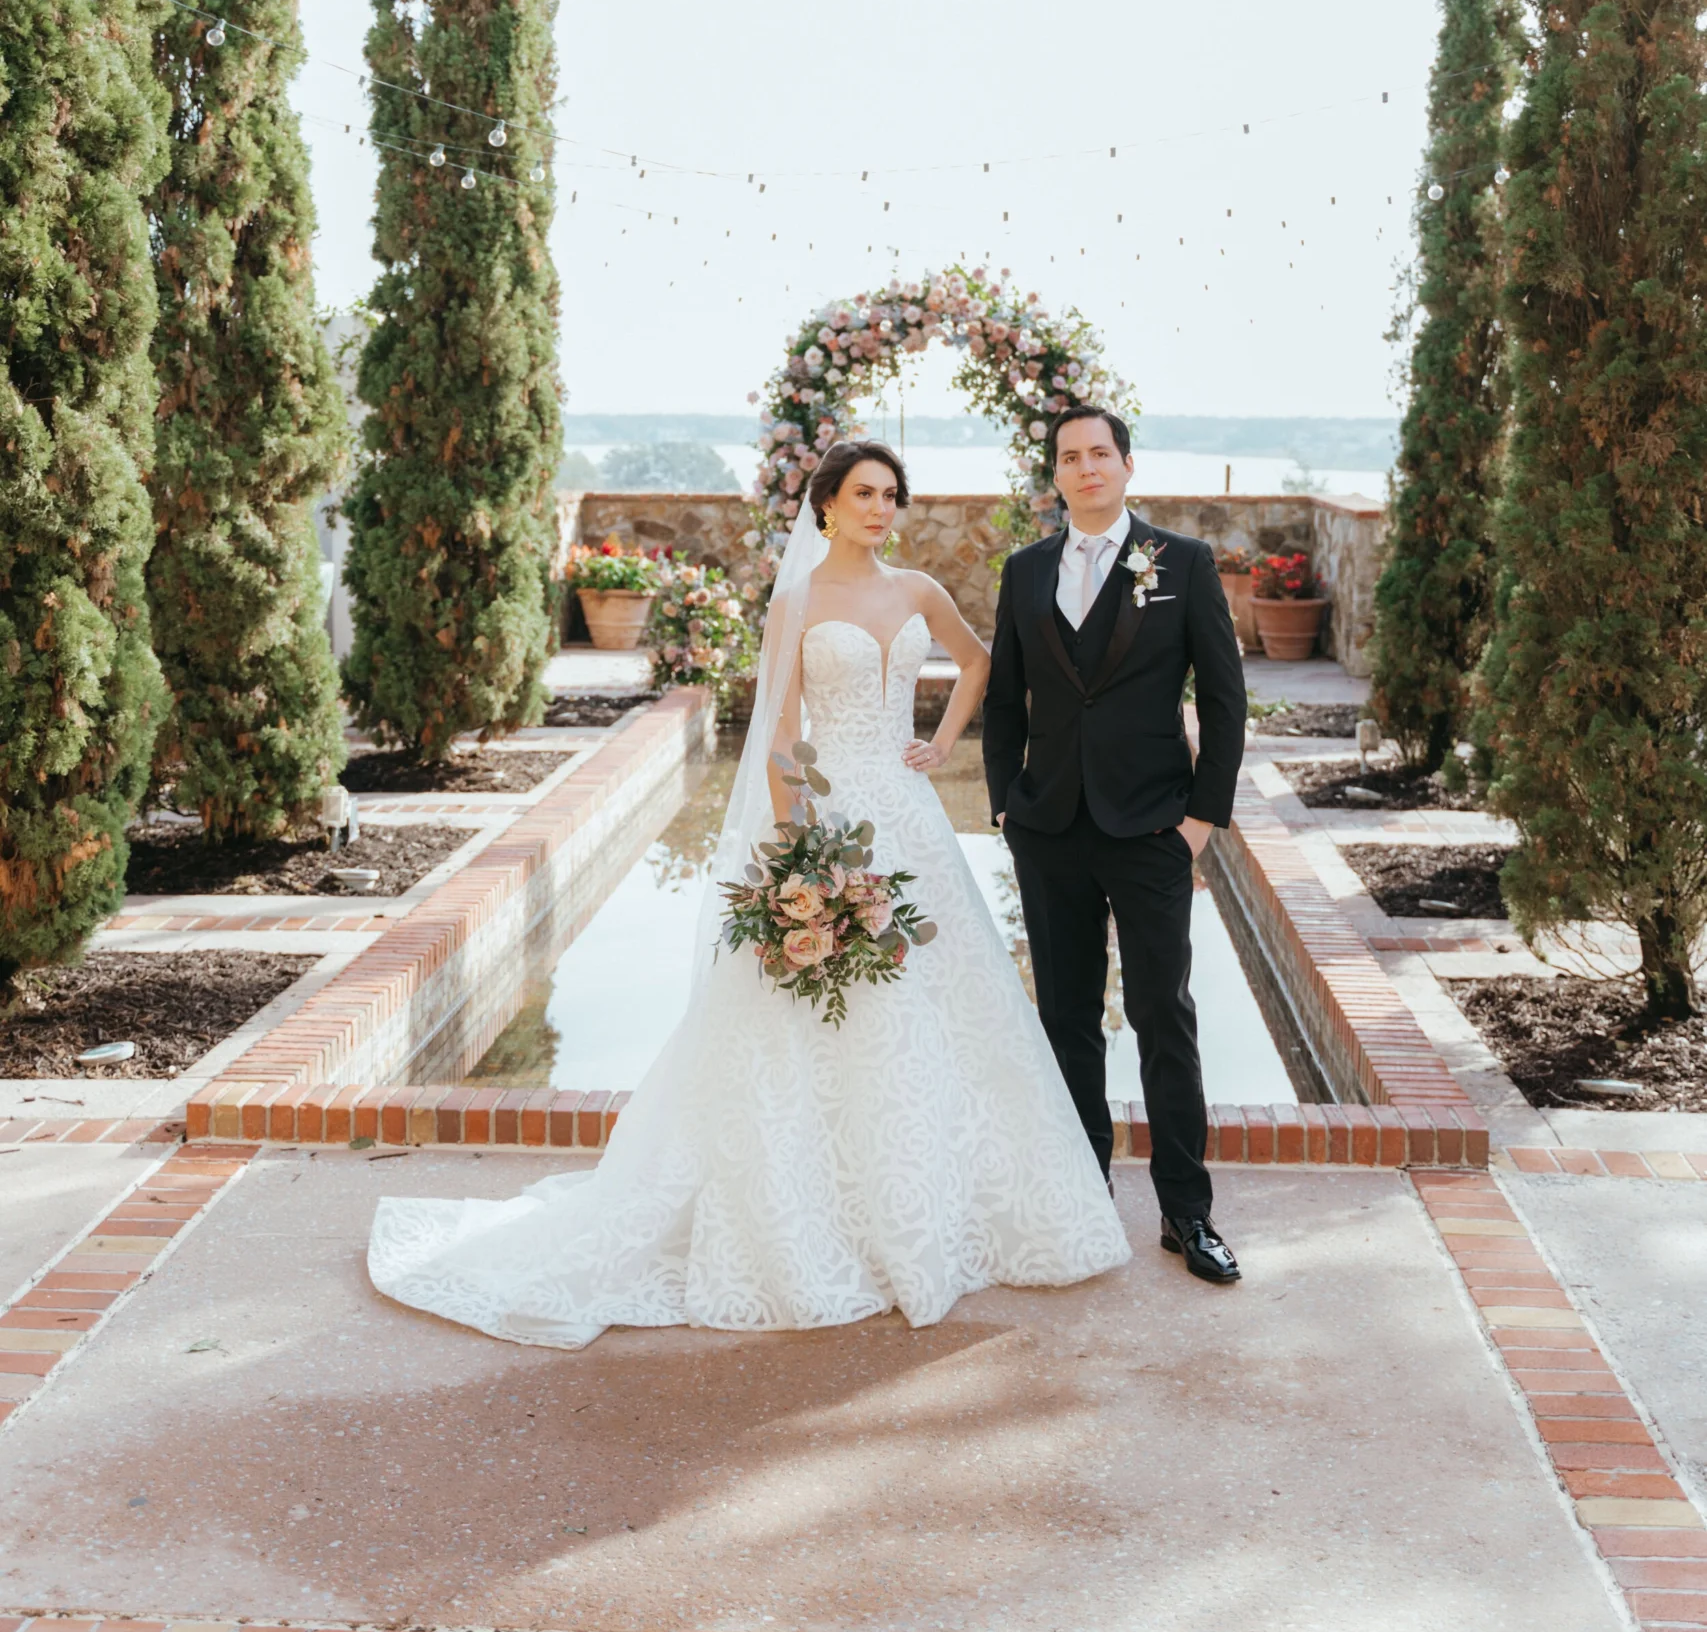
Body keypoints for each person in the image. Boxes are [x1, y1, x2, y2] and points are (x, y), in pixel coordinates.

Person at [368, 438, 1129, 1348]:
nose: (880, 509)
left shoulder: (919, 590)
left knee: (945, 1015)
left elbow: (979, 663)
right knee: (824, 1024)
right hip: (831, 818)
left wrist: (940, 743)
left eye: (891, 494)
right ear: (826, 505)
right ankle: (826, 1221)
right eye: (862, 494)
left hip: (913, 821)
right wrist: (799, 850)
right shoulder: (800, 602)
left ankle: (933, 1216)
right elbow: (778, 736)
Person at [984, 404, 1247, 1284]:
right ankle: (1080, 1192)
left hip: (1151, 830)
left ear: (1127, 466)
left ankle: (1186, 1212)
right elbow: (1003, 699)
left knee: (1161, 1019)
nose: (1086, 467)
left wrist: (1201, 821)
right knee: (1065, 1023)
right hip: (1049, 830)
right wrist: (1001, 807)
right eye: (1069, 456)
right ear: (1054, 475)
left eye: (1100, 452)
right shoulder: (1023, 573)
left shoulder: (1184, 563)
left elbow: (1222, 698)